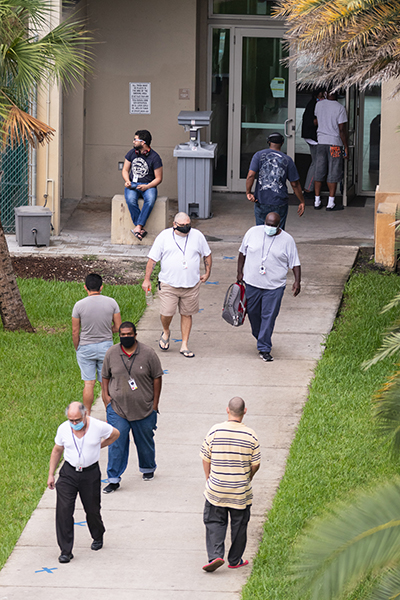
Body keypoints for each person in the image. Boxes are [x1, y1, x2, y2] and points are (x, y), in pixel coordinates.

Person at [47, 401, 120, 563]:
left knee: (92, 509)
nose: (74, 423)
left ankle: (98, 535)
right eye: (71, 420)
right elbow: (57, 449)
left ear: (85, 414)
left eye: (77, 420)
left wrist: (100, 446)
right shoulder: (63, 429)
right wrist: (51, 474)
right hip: (69, 474)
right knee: (64, 512)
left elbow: (115, 434)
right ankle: (66, 550)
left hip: (90, 474)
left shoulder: (98, 426)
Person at [200, 397, 260, 572]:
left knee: (214, 521)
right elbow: (256, 464)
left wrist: (208, 477)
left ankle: (215, 556)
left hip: (216, 489)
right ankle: (235, 559)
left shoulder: (215, 431)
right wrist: (248, 477)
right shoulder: (251, 435)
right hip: (240, 490)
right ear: (245, 411)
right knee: (239, 524)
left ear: (228, 410)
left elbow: (205, 457)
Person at [101, 321, 163, 493]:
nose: (126, 337)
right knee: (116, 442)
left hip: (144, 408)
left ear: (135, 335)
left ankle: (148, 468)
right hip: (118, 409)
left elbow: (157, 377)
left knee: (144, 441)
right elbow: (105, 376)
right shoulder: (112, 353)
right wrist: (106, 399)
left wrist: (155, 404)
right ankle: (113, 479)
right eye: (123, 335)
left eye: (129, 334)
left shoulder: (148, 354)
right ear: (119, 335)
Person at [142, 212, 212, 358]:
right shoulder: (164, 236)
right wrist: (147, 279)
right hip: (169, 284)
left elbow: (207, 254)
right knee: (167, 312)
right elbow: (152, 259)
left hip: (191, 284)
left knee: (187, 314)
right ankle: (166, 330)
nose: (186, 228)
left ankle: (184, 344)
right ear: (174, 224)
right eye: (182, 226)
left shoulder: (197, 236)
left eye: (188, 225)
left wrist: (207, 272)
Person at [237, 212, 301, 362]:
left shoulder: (287, 240)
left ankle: (264, 348)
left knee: (268, 316)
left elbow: (295, 263)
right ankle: (261, 337)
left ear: (279, 225)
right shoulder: (252, 232)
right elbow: (242, 253)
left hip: (274, 286)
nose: (269, 228)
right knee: (253, 313)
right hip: (252, 283)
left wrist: (297, 281)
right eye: (268, 224)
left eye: (273, 226)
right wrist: (239, 272)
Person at [72, 273, 121, 414]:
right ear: (101, 287)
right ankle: (110, 415)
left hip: (85, 347)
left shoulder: (79, 306)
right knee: (105, 384)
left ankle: (87, 415)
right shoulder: (112, 303)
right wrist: (108, 331)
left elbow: (75, 332)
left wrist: (78, 347)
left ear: (85, 287)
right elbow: (118, 327)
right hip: (106, 347)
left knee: (89, 383)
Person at [246, 132, 305, 230]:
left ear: (268, 142)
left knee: (260, 230)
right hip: (279, 201)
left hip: (261, 200)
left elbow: (251, 175)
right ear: (282, 143)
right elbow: (295, 184)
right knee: (278, 231)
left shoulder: (258, 155)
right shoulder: (287, 160)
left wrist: (248, 192)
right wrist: (301, 201)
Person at [122, 129, 163, 241]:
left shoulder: (155, 157)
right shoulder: (131, 153)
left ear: (143, 142)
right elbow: (125, 170)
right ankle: (140, 227)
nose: (133, 142)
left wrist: (147, 186)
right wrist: (127, 180)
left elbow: (159, 178)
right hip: (133, 184)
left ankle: (138, 227)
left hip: (148, 185)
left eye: (136, 140)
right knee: (130, 200)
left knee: (149, 201)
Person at [314, 90, 348, 211]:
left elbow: (316, 120)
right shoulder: (340, 108)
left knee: (319, 171)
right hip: (335, 144)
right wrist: (346, 146)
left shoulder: (319, 105)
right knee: (333, 171)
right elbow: (342, 129)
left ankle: (317, 201)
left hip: (321, 142)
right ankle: (330, 202)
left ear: (325, 93)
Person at [301, 89, 325, 197]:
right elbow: (314, 122)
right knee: (316, 163)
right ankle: (308, 189)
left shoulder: (313, 104)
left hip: (311, 136)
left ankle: (310, 188)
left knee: (316, 162)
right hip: (313, 138)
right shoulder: (315, 105)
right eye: (322, 96)